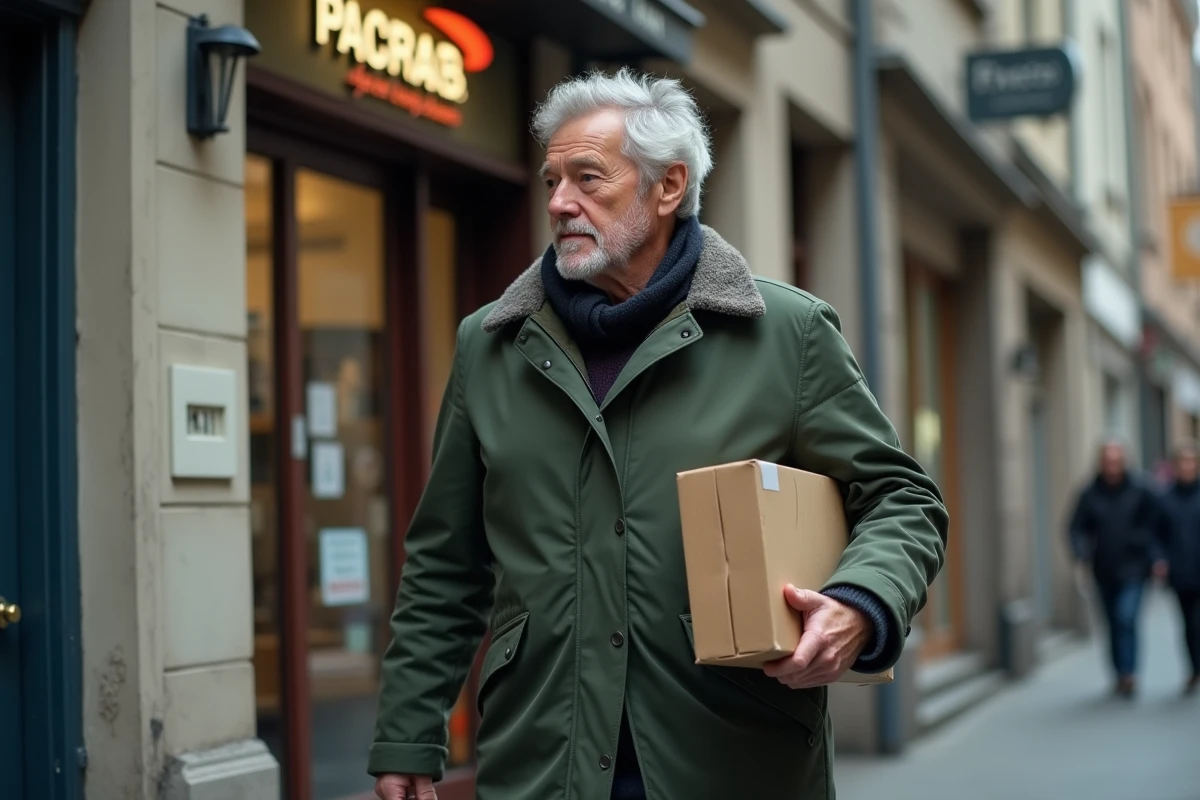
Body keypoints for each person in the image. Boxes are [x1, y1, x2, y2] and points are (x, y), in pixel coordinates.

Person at [369, 68, 948, 800]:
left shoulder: (784, 333)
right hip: (544, 764)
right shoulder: (490, 347)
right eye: (551, 180)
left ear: (668, 187)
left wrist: (860, 603)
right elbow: (445, 566)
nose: (559, 203)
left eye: (587, 178)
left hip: (731, 760)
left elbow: (904, 499)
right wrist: (407, 735)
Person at [1068, 440, 1162, 697]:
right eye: (1107, 460)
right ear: (1101, 463)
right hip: (1104, 569)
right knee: (1111, 623)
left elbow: (1157, 524)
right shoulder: (1090, 493)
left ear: (1124, 461)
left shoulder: (1141, 490)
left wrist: (1154, 554)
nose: (1112, 465)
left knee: (1126, 616)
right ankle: (1119, 672)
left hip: (1134, 567)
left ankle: (1130, 673)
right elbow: (1076, 527)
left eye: (1116, 460)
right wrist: (1081, 553)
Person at [1154, 442, 1200, 696]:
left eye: (1191, 462)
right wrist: (1159, 559)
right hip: (1181, 572)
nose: (1187, 467)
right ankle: (1194, 669)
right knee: (1189, 625)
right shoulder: (1165, 499)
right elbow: (1155, 535)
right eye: (1182, 462)